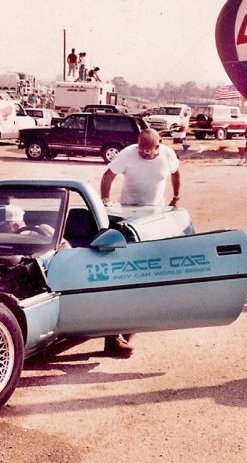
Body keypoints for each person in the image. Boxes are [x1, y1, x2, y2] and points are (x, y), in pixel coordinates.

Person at [99, 128, 181, 357]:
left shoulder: (167, 155)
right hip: (127, 216)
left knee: (147, 278)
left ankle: (122, 336)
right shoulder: (127, 153)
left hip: (155, 215)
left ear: (158, 145)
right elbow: (108, 175)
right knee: (128, 274)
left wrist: (177, 196)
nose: (143, 153)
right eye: (140, 147)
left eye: (148, 149)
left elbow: (176, 173)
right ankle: (114, 336)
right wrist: (105, 198)